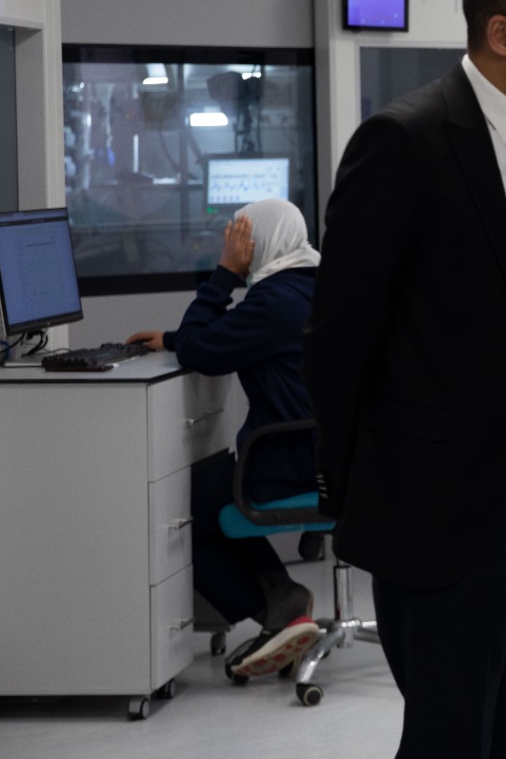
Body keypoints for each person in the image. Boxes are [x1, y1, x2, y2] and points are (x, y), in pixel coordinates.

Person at [304, 0, 506, 759]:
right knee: (450, 739)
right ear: (502, 34)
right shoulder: (406, 141)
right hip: (444, 502)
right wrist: (360, 494)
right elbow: (339, 338)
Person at [127, 197, 323, 680]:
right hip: (330, 454)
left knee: (178, 512)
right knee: (211, 484)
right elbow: (222, 337)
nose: (233, 248)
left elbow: (202, 351)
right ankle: (281, 597)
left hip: (292, 458)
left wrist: (225, 273)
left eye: (239, 241)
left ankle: (275, 611)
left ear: (260, 244)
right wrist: (173, 338)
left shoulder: (273, 301)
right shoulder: (312, 284)